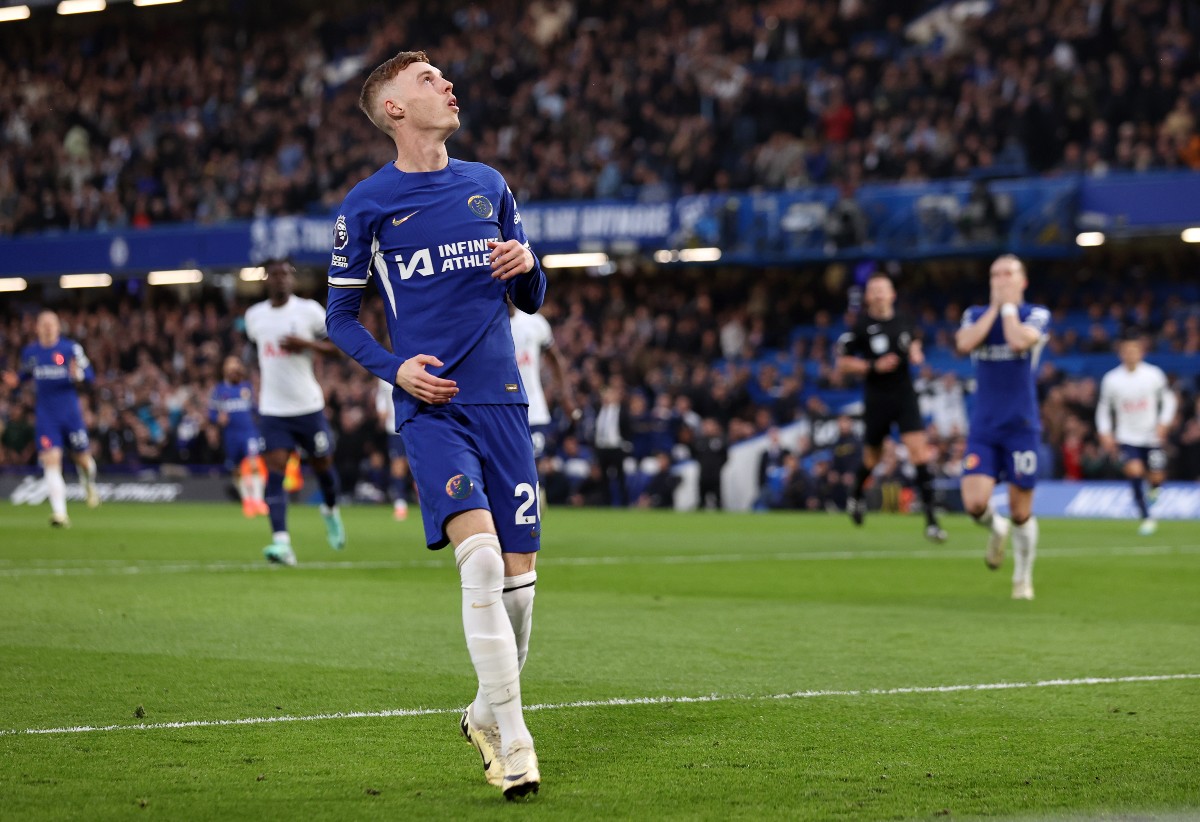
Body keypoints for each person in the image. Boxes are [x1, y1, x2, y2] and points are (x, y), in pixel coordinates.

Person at [323, 50, 546, 800]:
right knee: (479, 560)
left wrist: (528, 263)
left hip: (504, 403)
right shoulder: (368, 204)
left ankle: (484, 711)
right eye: (426, 80)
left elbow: (533, 295)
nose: (446, 85)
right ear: (392, 108)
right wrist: (395, 369)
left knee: (521, 587)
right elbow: (341, 316)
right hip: (433, 406)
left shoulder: (490, 185)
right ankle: (514, 740)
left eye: (444, 77)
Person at [955, 254, 1051, 600]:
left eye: (1008, 273)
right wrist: (996, 308)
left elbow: (1018, 341)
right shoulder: (975, 315)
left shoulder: (1036, 314)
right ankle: (996, 527)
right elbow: (963, 343)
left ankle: (1022, 578)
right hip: (984, 426)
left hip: (1021, 426)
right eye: (995, 273)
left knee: (1022, 511)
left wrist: (1008, 309)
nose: (1001, 279)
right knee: (974, 505)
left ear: (1022, 281)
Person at [244, 258, 347, 566]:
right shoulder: (254, 316)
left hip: (308, 406)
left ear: (292, 279)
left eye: (286, 275)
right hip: (273, 409)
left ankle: (330, 509)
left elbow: (339, 349)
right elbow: (255, 350)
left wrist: (305, 344)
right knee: (274, 475)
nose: (281, 280)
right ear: (266, 280)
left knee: (323, 468)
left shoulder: (309, 311)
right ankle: (282, 544)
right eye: (275, 275)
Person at [835, 273, 947, 542]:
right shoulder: (860, 326)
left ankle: (931, 521)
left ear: (892, 294)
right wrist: (872, 366)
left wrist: (917, 351)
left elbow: (914, 340)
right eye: (873, 290)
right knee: (871, 459)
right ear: (868, 296)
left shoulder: (905, 320)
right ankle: (856, 493)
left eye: (883, 290)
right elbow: (843, 362)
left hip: (904, 394)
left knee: (919, 454)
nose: (878, 294)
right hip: (877, 398)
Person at [3, 311, 99, 525]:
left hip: (71, 414)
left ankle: (89, 482)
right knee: (51, 460)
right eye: (43, 324)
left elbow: (90, 375)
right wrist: (15, 381)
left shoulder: (71, 349)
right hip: (46, 416)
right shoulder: (30, 352)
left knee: (83, 460)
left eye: (51, 324)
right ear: (37, 328)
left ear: (58, 327)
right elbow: (26, 374)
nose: (47, 327)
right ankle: (60, 514)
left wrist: (78, 375)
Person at [1095, 330, 1177, 535]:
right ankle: (1146, 517)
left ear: (1141, 352)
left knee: (1157, 478)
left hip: (1152, 436)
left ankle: (1154, 489)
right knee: (1134, 472)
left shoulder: (1153, 375)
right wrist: (1105, 432)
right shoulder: (1112, 379)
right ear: (1120, 353)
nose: (1130, 354)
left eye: (1134, 350)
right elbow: (1104, 408)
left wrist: (1163, 423)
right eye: (1126, 351)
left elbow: (1168, 400)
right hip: (1126, 436)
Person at [508, 301, 577, 459]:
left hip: (533, 412)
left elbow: (555, 359)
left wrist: (565, 396)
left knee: (534, 474)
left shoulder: (534, 322)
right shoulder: (485, 327)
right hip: (500, 415)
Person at [208, 356, 267, 518]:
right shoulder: (218, 390)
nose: (234, 369)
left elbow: (256, 410)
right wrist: (217, 418)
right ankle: (247, 500)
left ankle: (258, 500)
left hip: (248, 432)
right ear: (225, 370)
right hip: (230, 435)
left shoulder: (247, 388)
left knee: (254, 463)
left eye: (237, 365)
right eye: (231, 366)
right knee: (236, 469)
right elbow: (211, 414)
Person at [375, 377, 412, 520]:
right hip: (394, 427)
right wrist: (382, 411)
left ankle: (426, 501)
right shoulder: (385, 374)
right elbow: (380, 396)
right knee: (398, 464)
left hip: (414, 425)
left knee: (417, 465)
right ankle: (400, 503)